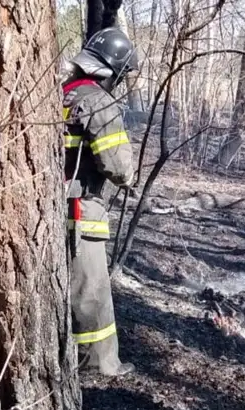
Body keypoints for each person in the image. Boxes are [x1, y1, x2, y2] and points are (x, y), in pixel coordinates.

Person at [61, 27, 140, 376]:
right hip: (82, 211)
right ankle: (98, 363)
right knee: (91, 292)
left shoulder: (60, 94)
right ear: (114, 72)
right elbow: (120, 168)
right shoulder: (98, 103)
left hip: (47, 209)